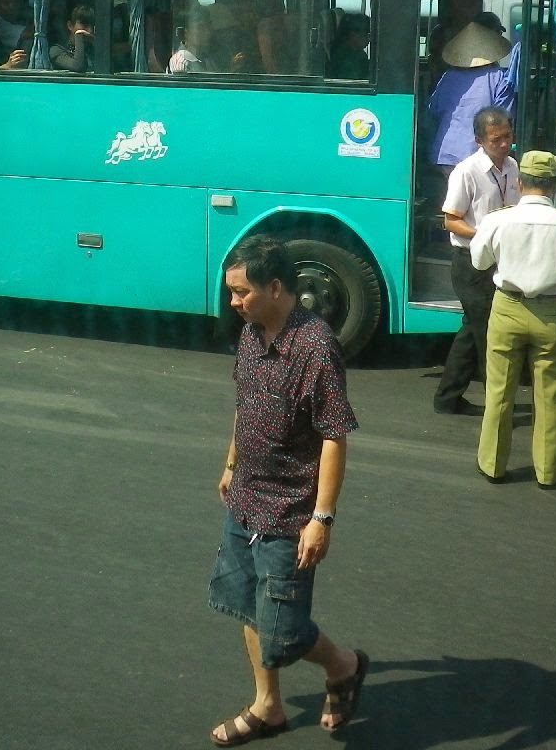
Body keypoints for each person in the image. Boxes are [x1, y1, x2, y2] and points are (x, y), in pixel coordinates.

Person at [208, 235, 368, 745]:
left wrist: (322, 518)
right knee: (247, 605)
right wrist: (231, 462)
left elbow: (333, 435)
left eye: (241, 292)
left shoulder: (316, 347)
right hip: (246, 495)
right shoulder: (253, 333)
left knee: (285, 628)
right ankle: (268, 706)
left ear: (275, 287)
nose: (233, 303)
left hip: (289, 510)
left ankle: (343, 666)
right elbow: (245, 402)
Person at [469, 150, 556, 486]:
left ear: (520, 182)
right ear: (554, 185)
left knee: (499, 392)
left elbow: (480, 262)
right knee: (551, 395)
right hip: (551, 313)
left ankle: (493, 465)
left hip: (507, 308)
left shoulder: (497, 220)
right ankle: (549, 472)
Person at [434, 106, 518, 416]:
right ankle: (496, 401)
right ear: (479, 141)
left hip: (498, 259)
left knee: (472, 329)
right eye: (496, 139)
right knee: (487, 331)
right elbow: (451, 221)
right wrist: (484, 235)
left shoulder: (511, 167)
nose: (504, 144)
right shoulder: (466, 172)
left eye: (507, 136)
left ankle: (447, 397)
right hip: (470, 261)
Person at [426, 16, 514, 170]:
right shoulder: (499, 78)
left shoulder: (449, 76)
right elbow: (504, 118)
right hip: (477, 156)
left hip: (445, 152)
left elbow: (433, 110)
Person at [49, 3, 96, 72]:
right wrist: (79, 35)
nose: (89, 30)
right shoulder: (56, 50)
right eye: (84, 25)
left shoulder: (91, 49)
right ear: (70, 25)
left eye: (91, 26)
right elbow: (77, 66)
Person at [327, 12, 372, 79]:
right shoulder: (343, 58)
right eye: (367, 34)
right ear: (353, 34)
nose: (370, 39)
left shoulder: (358, 54)